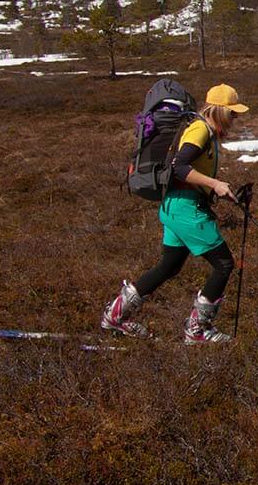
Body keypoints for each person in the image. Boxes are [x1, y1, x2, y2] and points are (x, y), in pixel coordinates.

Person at [101, 83, 248, 343]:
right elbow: (178, 166)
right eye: (232, 113)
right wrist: (214, 184)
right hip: (184, 208)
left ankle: (117, 316)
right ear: (219, 110)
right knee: (224, 264)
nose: (235, 119)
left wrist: (221, 190)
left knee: (169, 266)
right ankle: (198, 330)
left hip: (175, 206)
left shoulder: (207, 132)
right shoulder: (199, 130)